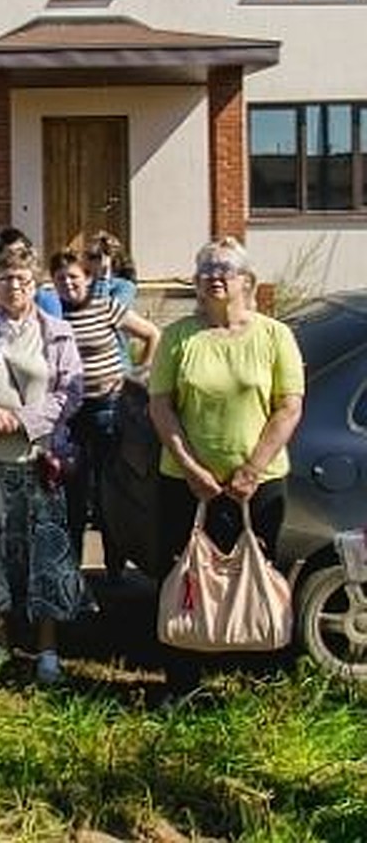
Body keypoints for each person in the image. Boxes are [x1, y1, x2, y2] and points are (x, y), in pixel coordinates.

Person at [148, 237, 303, 693]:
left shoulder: (275, 336)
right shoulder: (179, 337)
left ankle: (256, 684)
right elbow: (160, 407)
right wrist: (194, 470)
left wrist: (252, 469)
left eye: (225, 269)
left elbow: (289, 407)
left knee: (256, 578)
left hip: (259, 487)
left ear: (247, 281)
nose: (214, 276)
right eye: (205, 269)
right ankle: (182, 685)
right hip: (185, 484)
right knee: (186, 582)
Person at [0, 240, 88, 685]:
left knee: (46, 557)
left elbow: (71, 392)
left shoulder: (56, 332)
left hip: (39, 461)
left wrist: (22, 420)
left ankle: (47, 652)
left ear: (35, 283)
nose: (14, 288)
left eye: (23, 280)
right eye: (5, 279)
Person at [50, 248, 160, 571]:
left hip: (109, 410)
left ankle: (114, 566)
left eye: (73, 277)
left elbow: (152, 334)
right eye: (60, 279)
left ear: (87, 277)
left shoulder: (106, 307)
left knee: (111, 493)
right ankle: (71, 571)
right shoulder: (54, 319)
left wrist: (137, 372)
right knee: (74, 493)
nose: (68, 284)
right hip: (72, 416)